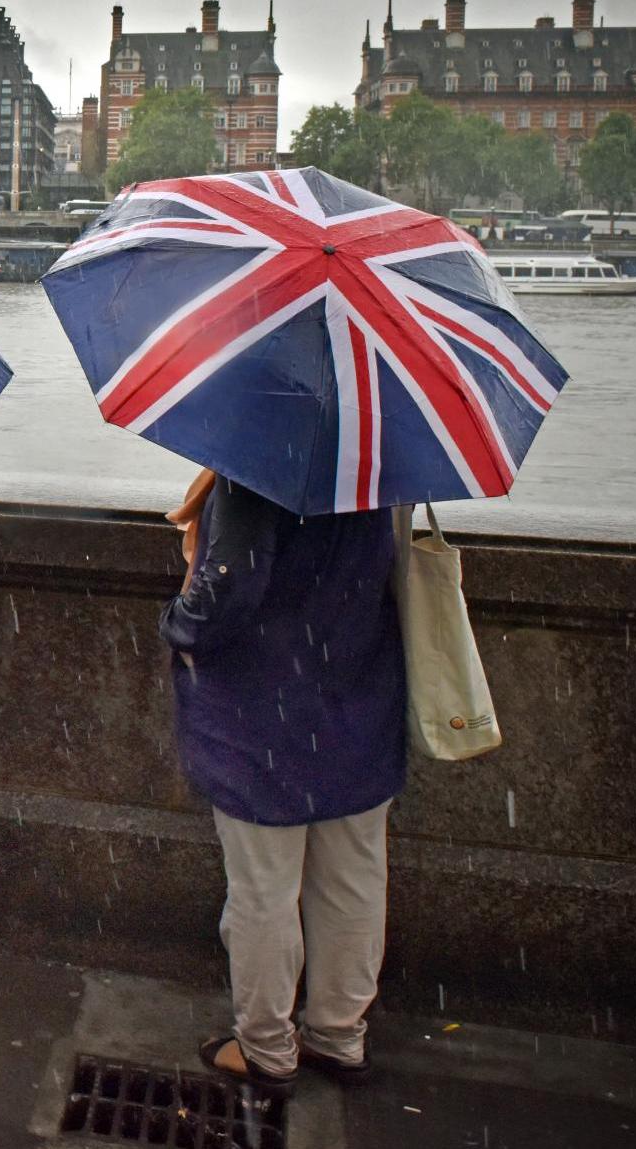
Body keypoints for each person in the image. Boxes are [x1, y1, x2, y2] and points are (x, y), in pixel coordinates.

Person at [162, 468, 401, 1095]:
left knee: (263, 889)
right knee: (353, 878)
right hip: (358, 692)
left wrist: (179, 626)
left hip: (261, 712)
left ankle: (268, 1049)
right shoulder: (380, 457)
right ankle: (340, 1036)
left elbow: (226, 591)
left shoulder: (257, 461)